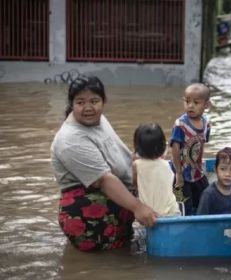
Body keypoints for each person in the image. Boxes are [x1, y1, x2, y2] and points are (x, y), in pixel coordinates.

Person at [51, 75, 157, 251]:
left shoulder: (98, 119)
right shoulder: (70, 139)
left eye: (94, 101)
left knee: (123, 256)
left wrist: (151, 165)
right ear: (72, 104)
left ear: (103, 101)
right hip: (89, 219)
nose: (88, 108)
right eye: (80, 102)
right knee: (109, 265)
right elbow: (105, 180)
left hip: (117, 204)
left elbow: (121, 155)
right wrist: (138, 207)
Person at [170, 83, 211, 215]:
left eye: (196, 102)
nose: (190, 106)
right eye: (187, 102)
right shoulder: (180, 125)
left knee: (205, 199)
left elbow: (201, 145)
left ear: (206, 105)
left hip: (197, 172)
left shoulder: (206, 123)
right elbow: (175, 149)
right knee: (184, 206)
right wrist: (178, 173)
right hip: (182, 172)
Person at [132, 123, 180, 216]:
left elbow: (134, 184)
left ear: (137, 147)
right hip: (172, 212)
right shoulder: (167, 165)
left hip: (150, 215)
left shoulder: (137, 165)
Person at [197, 147, 231, 215]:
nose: (227, 174)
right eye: (223, 169)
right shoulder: (208, 194)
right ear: (215, 170)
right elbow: (200, 220)